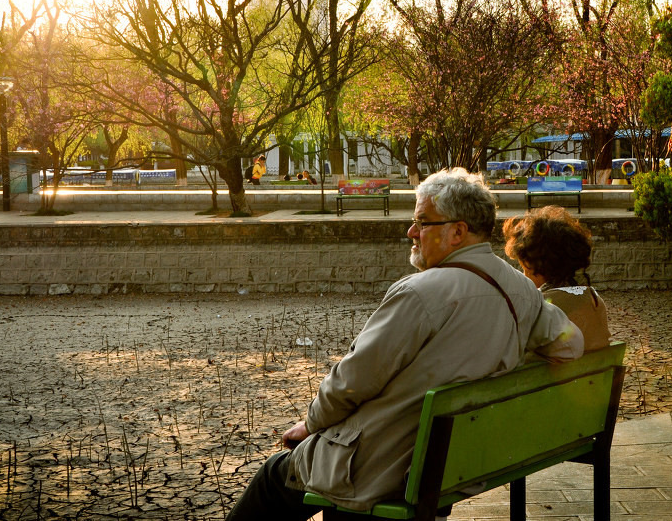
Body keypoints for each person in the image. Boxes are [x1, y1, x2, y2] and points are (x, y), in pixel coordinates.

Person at [225, 168, 584, 520]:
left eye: (423, 222)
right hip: (453, 466)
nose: (411, 232)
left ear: (458, 232)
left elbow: (351, 381)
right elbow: (571, 346)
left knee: (274, 476)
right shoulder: (522, 290)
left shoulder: (419, 293)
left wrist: (310, 423)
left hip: (384, 468)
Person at [502, 205, 610, 352]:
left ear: (537, 267)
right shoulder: (594, 301)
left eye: (525, 269)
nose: (524, 275)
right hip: (597, 367)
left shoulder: (539, 308)